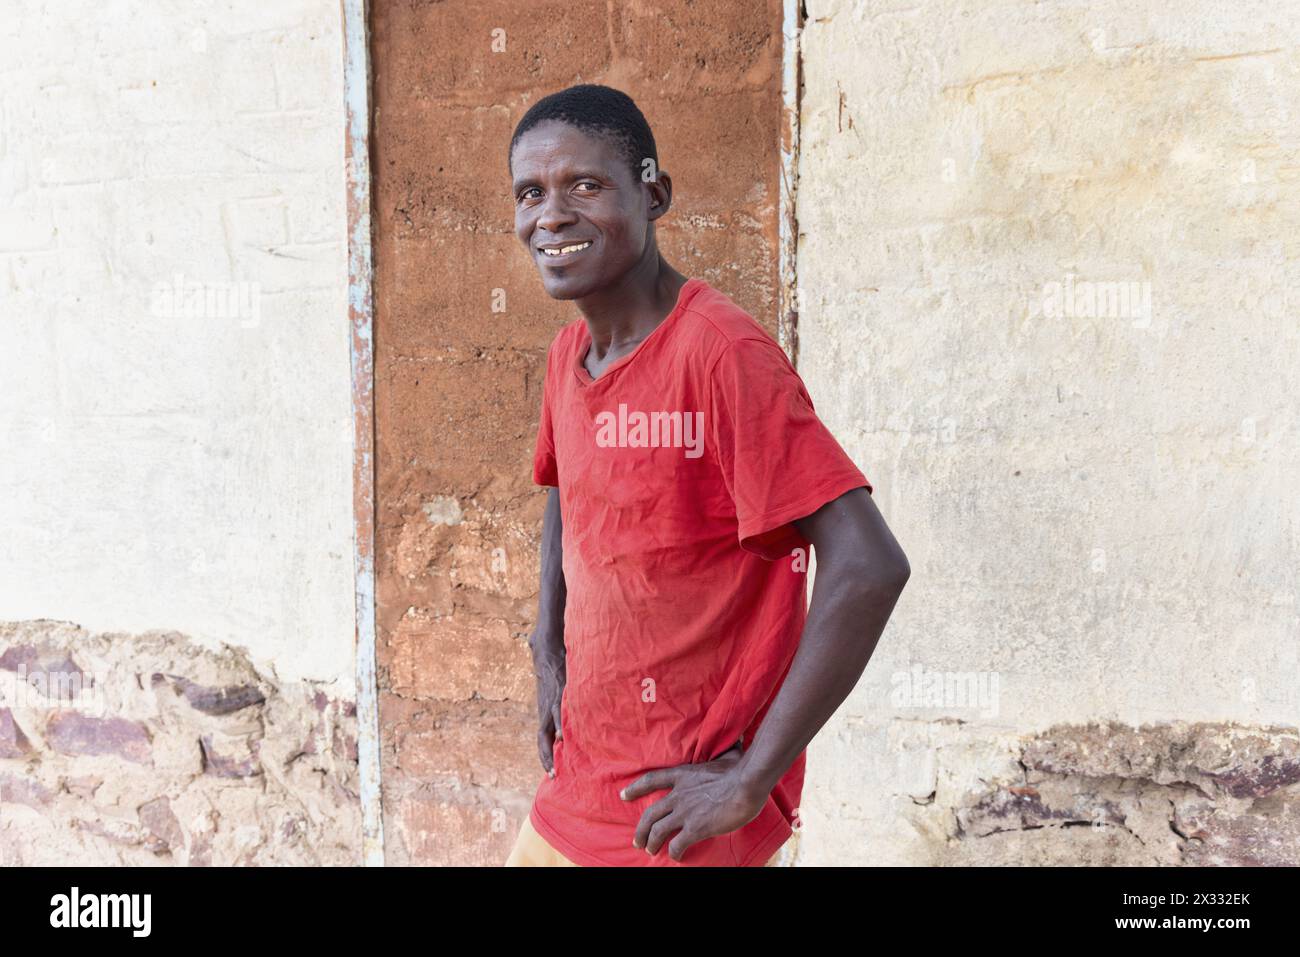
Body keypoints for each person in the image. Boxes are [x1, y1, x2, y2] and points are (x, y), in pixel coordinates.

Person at [503, 84, 910, 867]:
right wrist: (547, 640)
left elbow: (869, 564)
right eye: (530, 193)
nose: (549, 216)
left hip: (682, 800)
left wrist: (750, 779)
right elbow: (567, 491)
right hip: (584, 778)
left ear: (652, 193)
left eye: (585, 185)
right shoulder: (569, 358)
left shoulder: (721, 354)